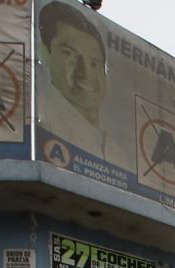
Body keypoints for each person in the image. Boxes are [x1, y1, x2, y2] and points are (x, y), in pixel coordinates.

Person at [38, 2, 128, 168]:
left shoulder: (118, 153)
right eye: (70, 55)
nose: (85, 73)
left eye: (94, 63)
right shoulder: (41, 125)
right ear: (45, 54)